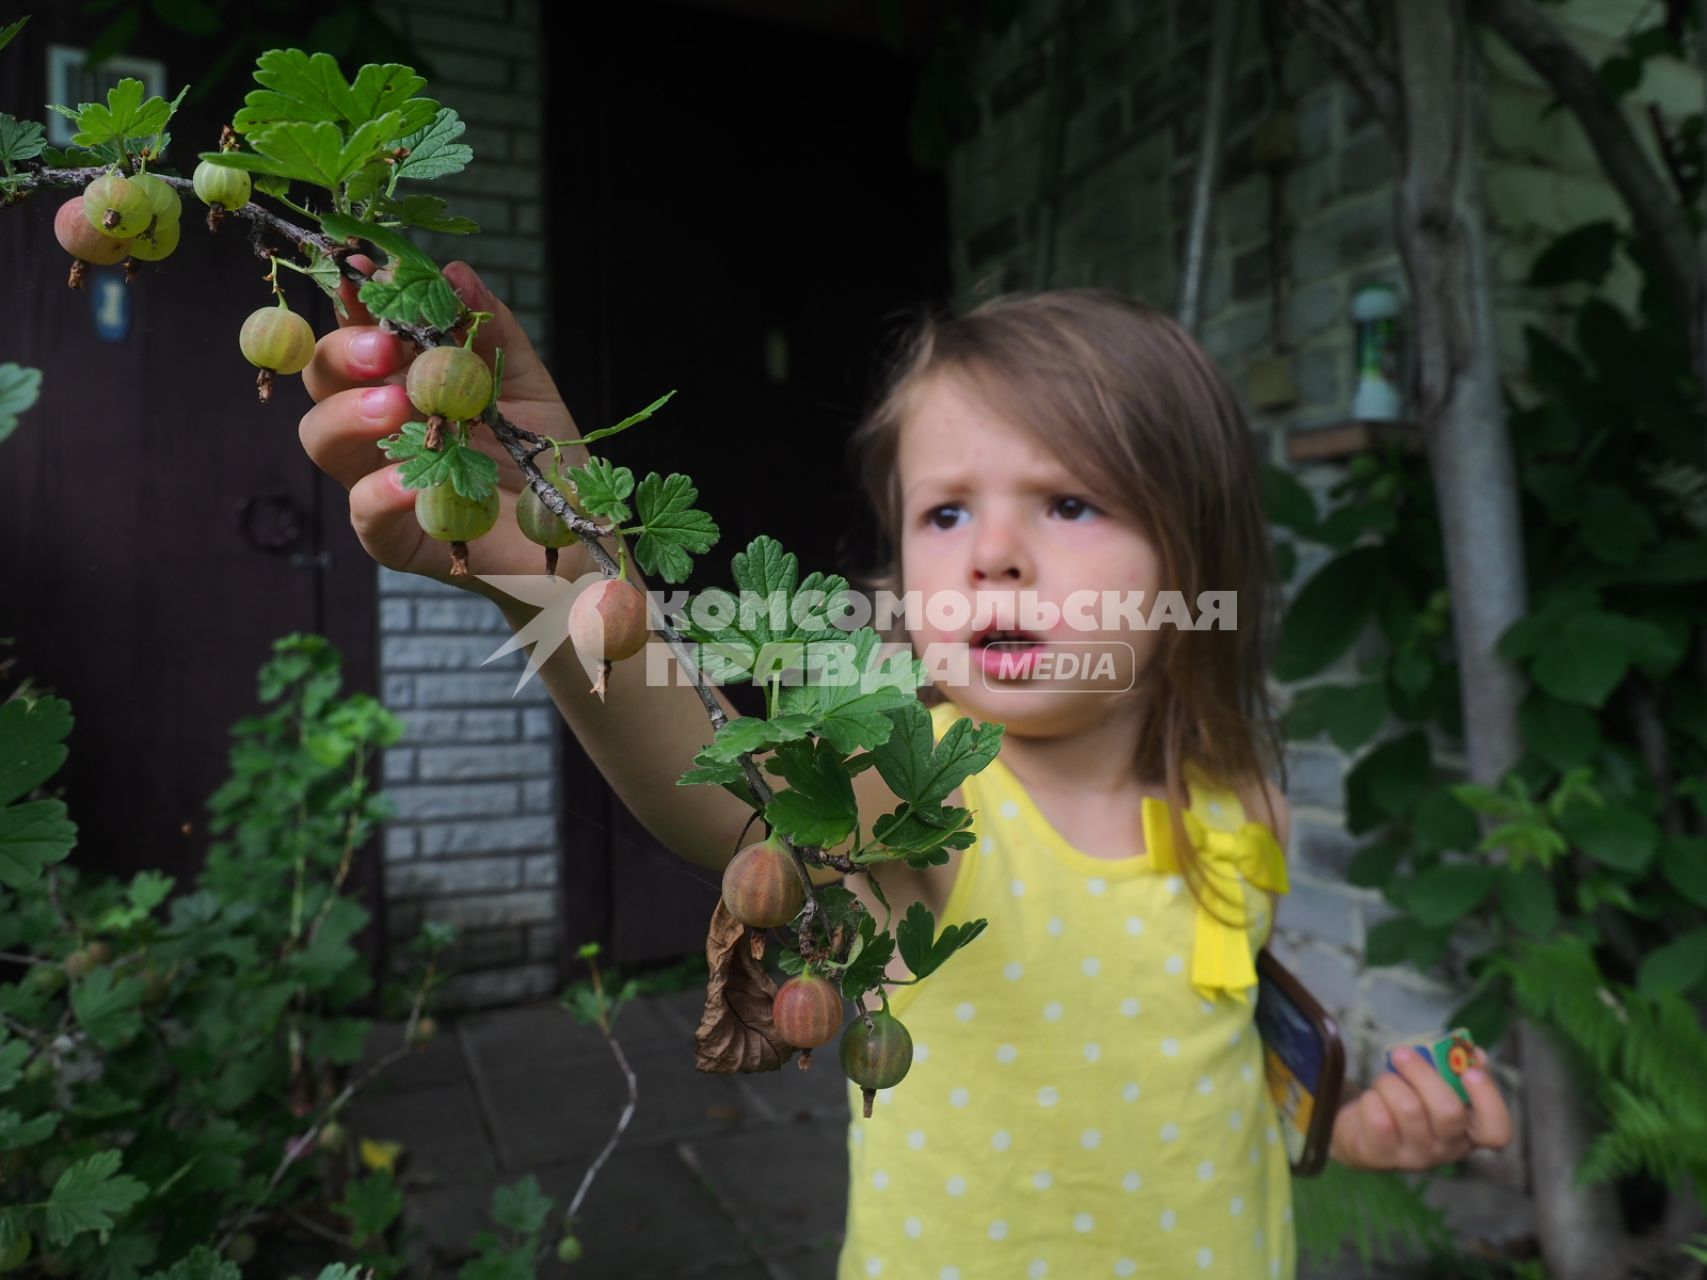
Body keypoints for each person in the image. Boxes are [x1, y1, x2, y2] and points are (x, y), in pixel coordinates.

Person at [298, 263, 1514, 1279]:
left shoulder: (1241, 794)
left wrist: (1344, 1122)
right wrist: (550, 561)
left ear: (1199, 556)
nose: (992, 553)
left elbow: (1212, 1038)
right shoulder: (914, 788)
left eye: (1072, 500)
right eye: (944, 514)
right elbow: (718, 793)